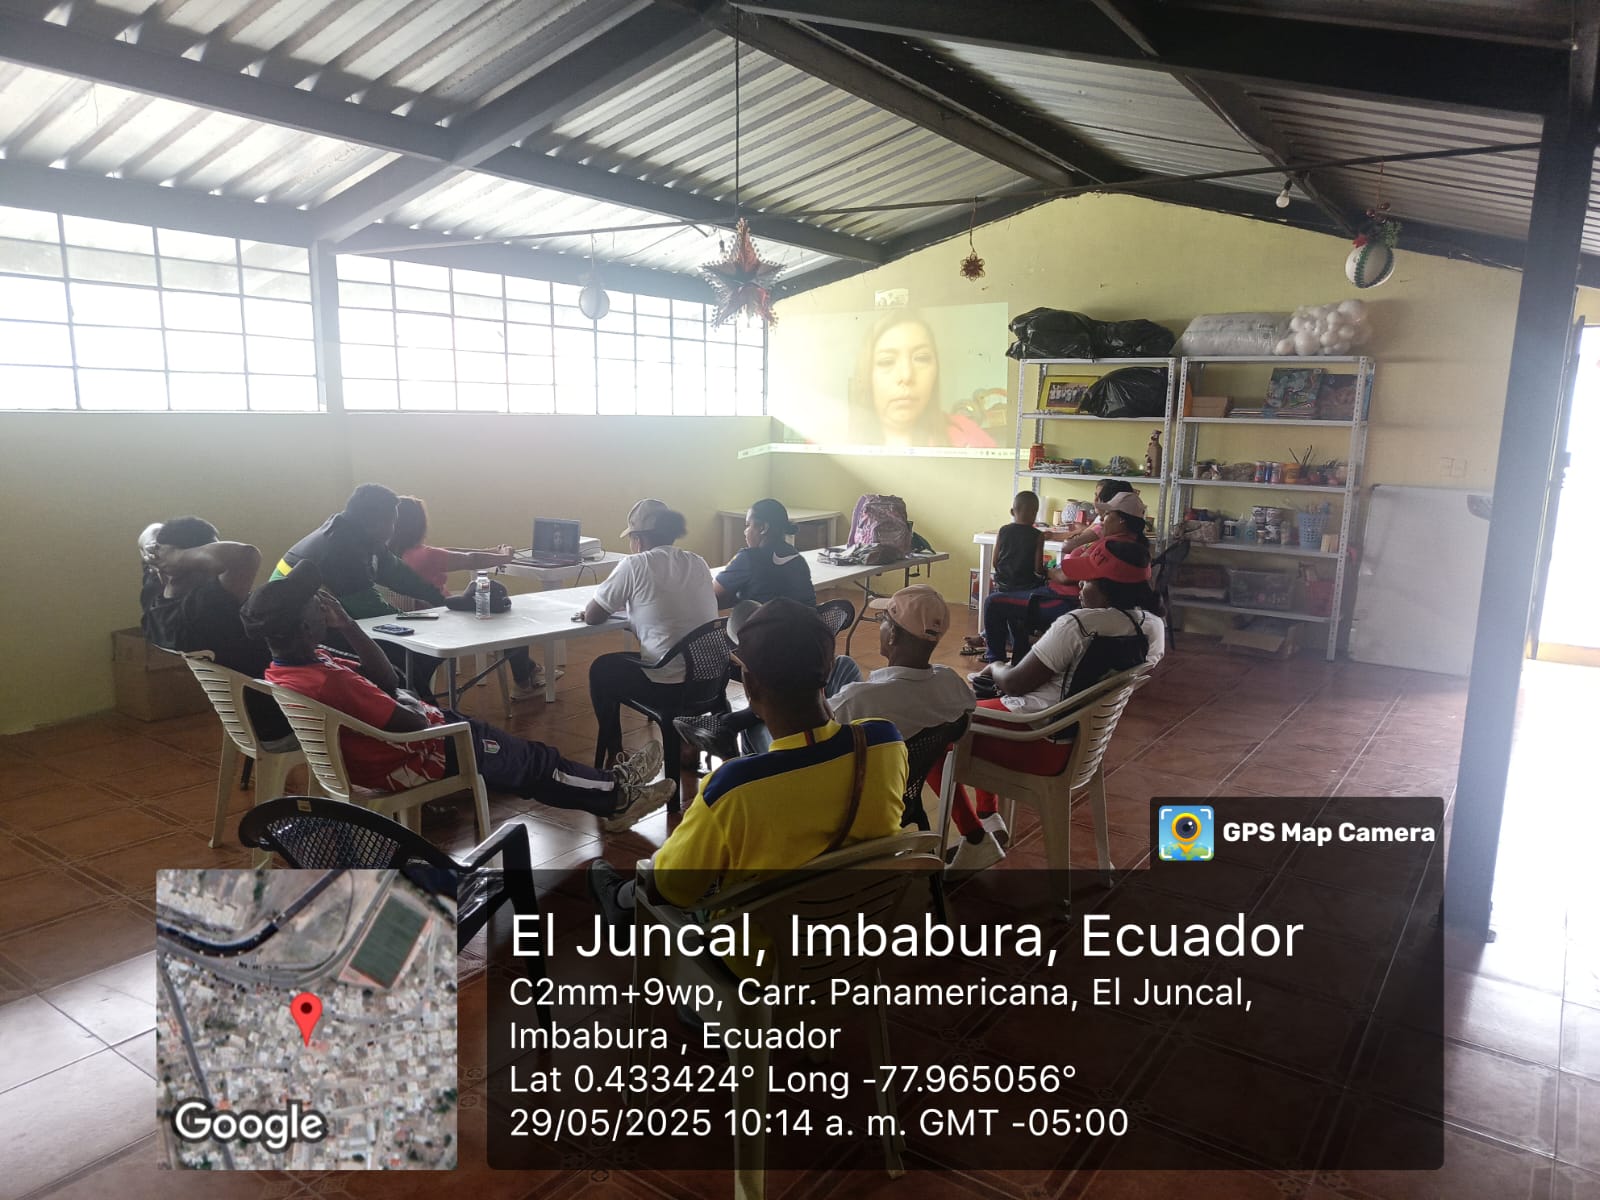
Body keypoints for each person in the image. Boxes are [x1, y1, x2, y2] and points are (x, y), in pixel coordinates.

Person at [587, 598, 909, 972]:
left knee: (664, 880)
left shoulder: (734, 787)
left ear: (750, 685)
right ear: (831, 668)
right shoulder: (885, 743)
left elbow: (670, 888)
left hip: (763, 968)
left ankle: (621, 901)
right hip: (859, 937)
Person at [245, 561, 673, 830]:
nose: (325, 608)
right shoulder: (325, 680)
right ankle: (616, 796)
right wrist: (410, 702)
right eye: (316, 607)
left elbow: (390, 681)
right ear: (305, 625)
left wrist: (348, 627)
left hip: (404, 745)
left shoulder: (288, 667)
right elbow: (409, 720)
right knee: (531, 763)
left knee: (513, 754)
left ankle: (608, 788)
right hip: (417, 752)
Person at [940, 564, 1165, 876]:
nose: (1080, 586)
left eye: (1087, 580)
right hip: (1083, 742)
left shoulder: (1079, 624)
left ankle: (975, 836)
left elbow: (1015, 683)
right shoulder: (1153, 626)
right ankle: (989, 818)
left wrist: (995, 667)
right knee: (976, 707)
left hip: (1039, 741)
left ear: (1109, 588)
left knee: (936, 730)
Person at [273, 483, 449, 698]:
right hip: (300, 634)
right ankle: (422, 711)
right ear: (380, 523)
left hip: (313, 623)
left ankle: (419, 703)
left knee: (416, 654)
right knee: (401, 657)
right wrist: (420, 627)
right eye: (393, 522)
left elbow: (399, 574)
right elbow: (370, 611)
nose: (394, 529)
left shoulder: (357, 534)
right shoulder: (341, 548)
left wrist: (440, 601)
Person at [580, 500, 718, 770]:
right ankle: (686, 742)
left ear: (639, 539)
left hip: (668, 689)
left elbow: (593, 615)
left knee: (601, 669)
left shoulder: (634, 565)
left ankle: (615, 753)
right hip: (709, 682)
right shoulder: (697, 561)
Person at [138, 517, 291, 746]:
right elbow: (247, 555)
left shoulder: (155, 607)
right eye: (208, 558)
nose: (217, 568)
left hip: (248, 717)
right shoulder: (208, 609)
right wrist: (178, 556)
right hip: (285, 717)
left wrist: (158, 551)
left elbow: (148, 532)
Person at [388, 496, 551, 701]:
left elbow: (454, 552)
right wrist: (505, 557)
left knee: (496, 614)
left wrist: (491, 552)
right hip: (444, 620)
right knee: (509, 621)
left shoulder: (391, 555)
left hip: (416, 620)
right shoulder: (426, 555)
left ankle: (531, 671)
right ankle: (524, 681)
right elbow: (470, 560)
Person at [848, 311, 996, 449]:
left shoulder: (969, 436)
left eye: (921, 358)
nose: (906, 375)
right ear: (866, 375)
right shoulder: (841, 440)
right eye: (887, 361)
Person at [971, 491, 1077, 665]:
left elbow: (995, 561)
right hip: (1026, 588)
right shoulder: (1037, 535)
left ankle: (995, 659)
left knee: (1000, 618)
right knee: (1020, 626)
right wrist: (1047, 573)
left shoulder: (1003, 531)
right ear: (1035, 513)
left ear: (1012, 511)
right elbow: (1038, 568)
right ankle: (1019, 661)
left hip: (1004, 585)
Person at [713, 498, 816, 608]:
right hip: (804, 619)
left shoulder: (748, 558)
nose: (745, 531)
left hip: (769, 619)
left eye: (748, 525)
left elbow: (712, 593)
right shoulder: (797, 558)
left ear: (763, 528)